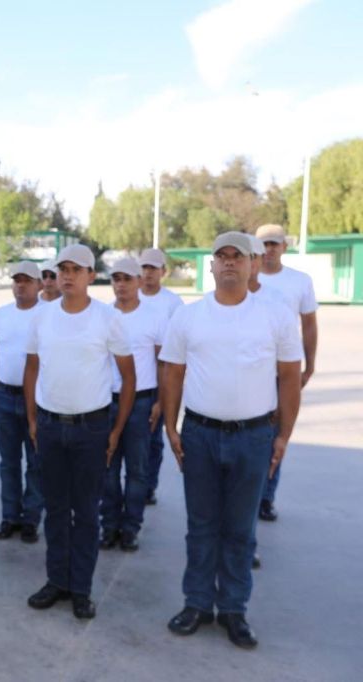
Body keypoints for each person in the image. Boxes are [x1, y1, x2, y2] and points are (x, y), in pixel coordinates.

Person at [160, 231, 301, 649]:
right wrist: (171, 424)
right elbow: (173, 372)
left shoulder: (274, 315)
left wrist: (284, 435)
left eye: (237, 256)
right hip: (200, 434)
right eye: (220, 256)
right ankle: (198, 603)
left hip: (254, 436)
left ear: (253, 264)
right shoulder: (189, 316)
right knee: (201, 525)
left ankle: (234, 609)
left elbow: (290, 377)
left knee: (240, 530)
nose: (228, 263)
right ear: (211, 265)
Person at [24, 244, 134, 620]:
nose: (67, 275)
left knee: (86, 512)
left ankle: (82, 588)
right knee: (54, 509)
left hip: (91, 428)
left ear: (91, 275)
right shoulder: (42, 318)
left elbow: (129, 376)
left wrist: (116, 429)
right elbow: (31, 369)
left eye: (77, 269)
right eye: (62, 269)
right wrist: (34, 421)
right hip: (51, 426)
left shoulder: (107, 318)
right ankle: (57, 581)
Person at [99, 258, 165, 552]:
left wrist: (161, 402)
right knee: (107, 468)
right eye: (116, 279)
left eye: (127, 278)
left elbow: (164, 364)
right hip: (104, 402)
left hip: (141, 403)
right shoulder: (100, 316)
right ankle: (109, 526)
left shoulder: (154, 317)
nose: (121, 285)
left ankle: (130, 528)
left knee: (137, 470)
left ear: (139, 281)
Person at [255, 223, 318, 522]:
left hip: (283, 369)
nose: (269, 250)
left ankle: (266, 496)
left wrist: (310, 364)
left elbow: (308, 325)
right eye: (264, 244)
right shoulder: (248, 279)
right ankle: (251, 494)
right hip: (254, 369)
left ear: (284, 247)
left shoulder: (299, 281)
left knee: (277, 433)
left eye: (274, 244)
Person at [0, 261, 44, 544]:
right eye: (16, 280)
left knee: (36, 463)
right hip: (5, 397)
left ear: (40, 285)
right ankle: (9, 516)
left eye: (27, 280)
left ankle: (31, 519)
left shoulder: (48, 315)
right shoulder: (0, 315)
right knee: (8, 462)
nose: (20, 285)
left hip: (38, 400)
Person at [137, 247, 184, 506]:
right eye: (144, 268)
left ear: (163, 272)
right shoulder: (128, 298)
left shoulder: (173, 304)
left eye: (153, 268)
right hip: (131, 380)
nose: (147, 273)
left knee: (153, 439)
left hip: (162, 380)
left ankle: (148, 486)